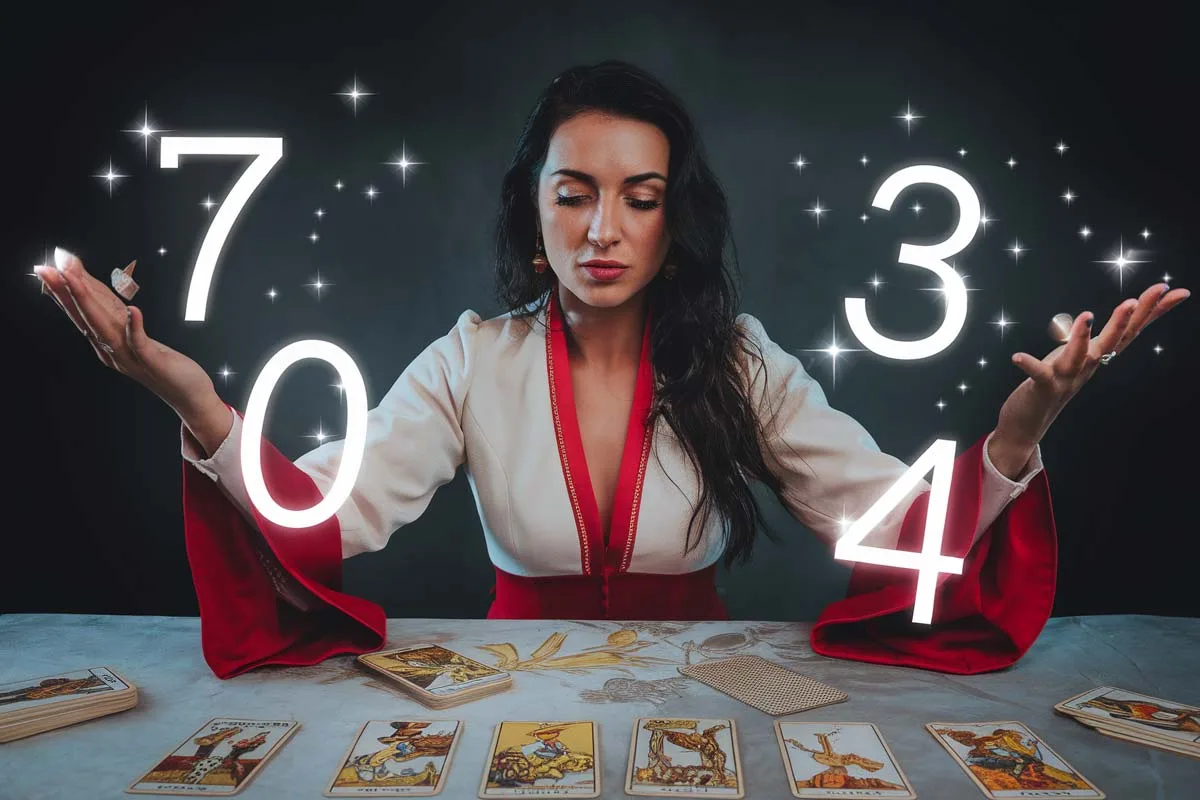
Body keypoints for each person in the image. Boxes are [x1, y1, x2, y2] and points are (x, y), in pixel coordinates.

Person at [34, 61, 1188, 680]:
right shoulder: (469, 358)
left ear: (671, 221)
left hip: (705, 685)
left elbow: (888, 515)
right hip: (506, 695)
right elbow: (331, 511)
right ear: (534, 213)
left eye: (639, 199)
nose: (603, 229)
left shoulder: (740, 361)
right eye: (573, 193)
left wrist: (1018, 436)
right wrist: (187, 394)